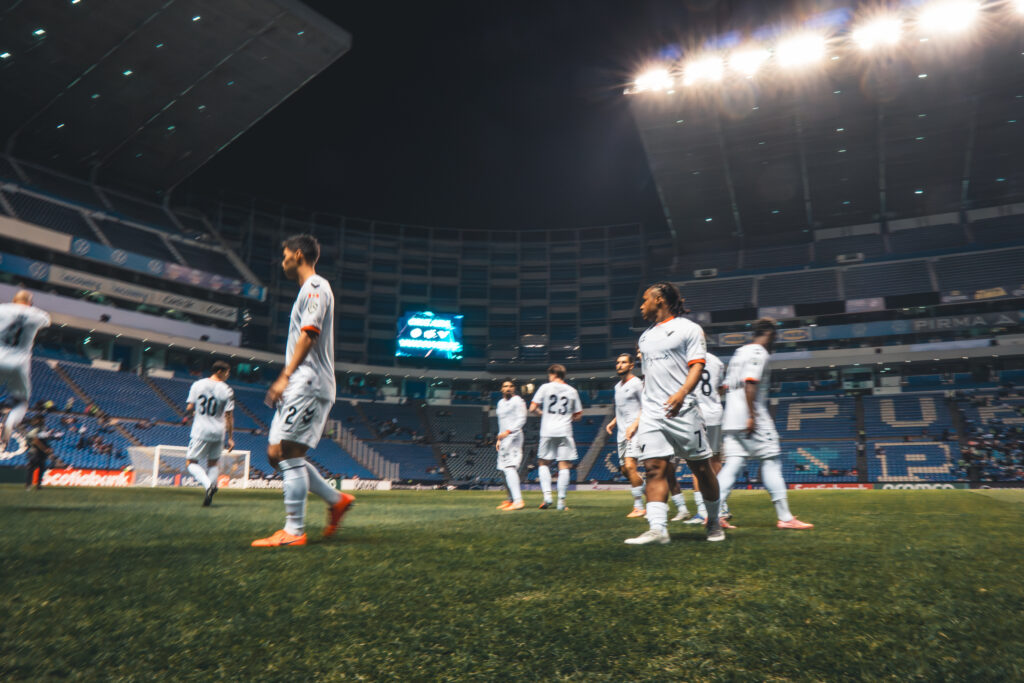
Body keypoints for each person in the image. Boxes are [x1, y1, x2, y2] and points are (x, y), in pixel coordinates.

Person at [252, 234, 354, 547]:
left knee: (289, 453)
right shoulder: (307, 290)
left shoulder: (316, 287)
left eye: (285, 255)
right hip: (301, 382)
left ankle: (294, 531)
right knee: (275, 454)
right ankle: (336, 500)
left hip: (309, 382)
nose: (281, 261)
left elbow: (309, 334)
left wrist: (285, 376)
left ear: (298, 255)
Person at [626, 282, 724, 544]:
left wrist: (682, 393)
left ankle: (714, 521)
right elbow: (650, 377)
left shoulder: (688, 329)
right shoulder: (645, 337)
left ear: (659, 299)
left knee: (701, 468)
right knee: (654, 468)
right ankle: (658, 529)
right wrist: (642, 414)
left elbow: (697, 366)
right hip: (653, 413)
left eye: (645, 300)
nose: (641, 306)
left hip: (684, 410)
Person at [717, 318, 813, 530]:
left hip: (730, 418)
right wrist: (751, 416)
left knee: (732, 465)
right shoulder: (759, 353)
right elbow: (750, 383)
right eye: (775, 337)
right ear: (770, 335)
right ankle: (785, 518)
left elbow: (724, 387)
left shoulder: (739, 352)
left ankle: (713, 515)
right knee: (772, 461)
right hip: (751, 416)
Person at [684, 350, 732, 525]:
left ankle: (702, 511)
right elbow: (721, 388)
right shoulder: (716, 361)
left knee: (697, 462)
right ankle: (722, 506)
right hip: (715, 413)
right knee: (716, 461)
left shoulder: (686, 359)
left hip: (696, 414)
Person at [0, 290, 50, 453]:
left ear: (14, 300)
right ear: (30, 303)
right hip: (19, 362)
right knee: (21, 402)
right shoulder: (38, 314)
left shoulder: (3, 309)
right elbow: (46, 322)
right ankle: (9, 424)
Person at [529, 364, 583, 511]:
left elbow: (532, 408)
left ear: (552, 374)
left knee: (543, 463)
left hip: (547, 430)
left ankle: (547, 496)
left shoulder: (545, 387)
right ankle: (561, 502)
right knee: (564, 465)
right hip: (564, 430)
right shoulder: (572, 391)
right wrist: (567, 417)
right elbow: (579, 415)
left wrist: (543, 414)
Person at [183, 360, 236, 507]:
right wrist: (231, 438)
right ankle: (210, 491)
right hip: (219, 432)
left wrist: (192, 413)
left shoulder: (197, 385)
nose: (228, 375)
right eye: (227, 372)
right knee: (213, 463)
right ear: (219, 371)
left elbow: (189, 407)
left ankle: (208, 486)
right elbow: (229, 416)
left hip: (201, 430)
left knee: (190, 462)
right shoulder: (227, 390)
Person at [605, 353, 647, 518]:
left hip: (635, 432)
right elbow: (622, 408)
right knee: (624, 471)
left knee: (630, 466)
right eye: (618, 362)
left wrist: (634, 425)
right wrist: (613, 421)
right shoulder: (617, 387)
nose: (619, 365)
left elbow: (645, 407)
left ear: (631, 365)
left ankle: (639, 507)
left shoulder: (637, 384)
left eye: (623, 362)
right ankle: (651, 492)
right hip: (621, 433)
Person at [495, 379, 527, 511]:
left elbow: (522, 419)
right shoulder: (500, 403)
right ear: (501, 389)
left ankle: (518, 501)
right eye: (505, 386)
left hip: (514, 436)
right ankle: (510, 499)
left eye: (511, 386)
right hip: (504, 437)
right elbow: (501, 422)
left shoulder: (518, 401)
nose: (508, 388)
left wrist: (508, 432)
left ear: (514, 389)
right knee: (502, 469)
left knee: (509, 467)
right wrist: (499, 438)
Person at [24, 415, 53, 490]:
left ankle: (34, 485)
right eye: (42, 419)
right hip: (36, 452)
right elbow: (35, 441)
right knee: (34, 468)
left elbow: (43, 440)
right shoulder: (37, 429)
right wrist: (45, 449)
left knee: (39, 468)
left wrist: (48, 448)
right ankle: (31, 485)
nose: (44, 421)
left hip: (38, 452)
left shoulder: (41, 429)